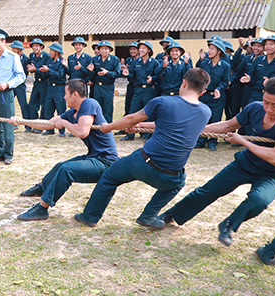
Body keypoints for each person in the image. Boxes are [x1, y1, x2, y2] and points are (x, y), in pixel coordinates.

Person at [157, 76, 275, 246]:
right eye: (266, 102)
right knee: (208, 190)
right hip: (245, 164)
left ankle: (228, 225)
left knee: (259, 201)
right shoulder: (255, 108)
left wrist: (243, 141)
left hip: (271, 174)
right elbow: (227, 126)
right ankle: (172, 215)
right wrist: (193, 130)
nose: (269, 109)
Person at [74, 68, 212, 229]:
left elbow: (131, 118)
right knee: (179, 183)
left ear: (184, 82)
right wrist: (141, 126)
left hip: (142, 163)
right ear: (203, 92)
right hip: (170, 176)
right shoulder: (206, 112)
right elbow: (169, 123)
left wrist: (108, 127)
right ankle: (148, 216)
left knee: (110, 176)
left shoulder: (162, 101)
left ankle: (89, 216)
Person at [10, 79, 119, 221]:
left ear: (75, 94)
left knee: (66, 170)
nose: (63, 97)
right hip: (93, 156)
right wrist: (22, 121)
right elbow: (48, 123)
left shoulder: (89, 104)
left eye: (65, 93)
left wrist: (65, 123)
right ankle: (42, 187)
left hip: (106, 161)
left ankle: (42, 209)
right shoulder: (72, 112)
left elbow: (82, 132)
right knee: (60, 166)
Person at [0, 28, 26, 165]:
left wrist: (8, 84)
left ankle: (8, 154)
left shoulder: (13, 57)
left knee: (8, 126)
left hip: (5, 95)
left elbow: (21, 76)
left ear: (4, 42)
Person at [120, 41, 163, 141]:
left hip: (149, 90)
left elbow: (158, 76)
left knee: (149, 113)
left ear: (149, 50)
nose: (141, 50)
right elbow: (132, 77)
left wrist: (152, 78)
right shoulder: (135, 62)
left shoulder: (154, 62)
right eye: (140, 48)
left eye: (144, 48)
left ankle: (148, 136)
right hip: (137, 90)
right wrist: (127, 74)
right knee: (133, 112)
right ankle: (130, 135)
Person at [194, 39, 230, 151]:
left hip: (218, 98)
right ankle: (200, 140)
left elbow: (225, 81)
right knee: (203, 118)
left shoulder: (225, 66)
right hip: (204, 96)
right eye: (209, 48)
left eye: (212, 49)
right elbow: (199, 75)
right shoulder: (204, 64)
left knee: (216, 119)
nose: (209, 51)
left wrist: (219, 89)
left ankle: (213, 141)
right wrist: (200, 59)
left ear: (219, 51)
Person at [88, 40, 121, 123]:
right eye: (102, 49)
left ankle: (107, 128)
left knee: (108, 108)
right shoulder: (95, 59)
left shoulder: (114, 59)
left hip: (108, 86)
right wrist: (91, 71)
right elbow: (93, 75)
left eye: (106, 49)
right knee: (97, 107)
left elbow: (117, 73)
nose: (103, 51)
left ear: (110, 50)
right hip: (97, 87)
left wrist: (107, 73)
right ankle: (97, 127)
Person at [40, 43, 67, 137]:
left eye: (51, 50)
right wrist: (40, 71)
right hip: (50, 87)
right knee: (48, 108)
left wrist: (48, 70)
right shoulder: (49, 61)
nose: (49, 52)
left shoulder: (61, 62)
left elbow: (60, 74)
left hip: (60, 87)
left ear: (56, 52)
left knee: (61, 108)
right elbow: (46, 74)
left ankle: (62, 131)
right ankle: (49, 129)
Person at [27, 38, 50, 133]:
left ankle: (41, 126)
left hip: (45, 82)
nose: (35, 48)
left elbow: (47, 72)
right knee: (32, 103)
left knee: (44, 104)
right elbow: (29, 66)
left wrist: (35, 69)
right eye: (33, 46)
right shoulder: (31, 55)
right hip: (36, 82)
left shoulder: (46, 56)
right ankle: (34, 123)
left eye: (37, 46)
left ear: (41, 47)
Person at [9, 40, 31, 132]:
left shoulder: (25, 59)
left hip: (20, 85)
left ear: (19, 49)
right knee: (9, 103)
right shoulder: (11, 57)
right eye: (12, 48)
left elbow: (24, 73)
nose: (13, 50)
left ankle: (27, 126)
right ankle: (13, 124)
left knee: (23, 105)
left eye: (15, 48)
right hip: (11, 84)